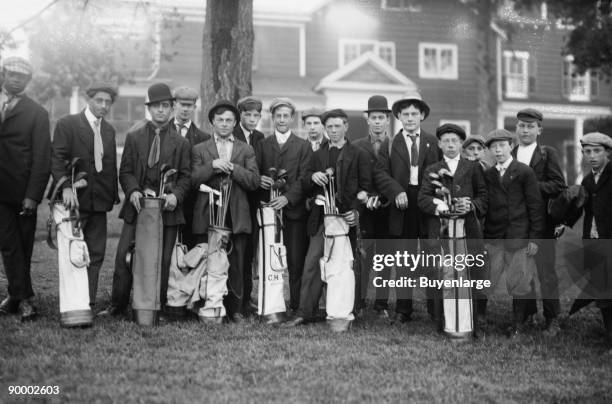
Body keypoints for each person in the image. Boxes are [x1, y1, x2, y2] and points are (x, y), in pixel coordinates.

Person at [99, 83, 191, 316]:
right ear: (149, 109)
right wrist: (133, 191)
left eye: (165, 106)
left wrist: (175, 195)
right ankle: (117, 304)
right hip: (138, 207)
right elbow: (126, 171)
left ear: (171, 109)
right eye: (156, 106)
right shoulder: (134, 136)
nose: (161, 111)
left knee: (162, 258)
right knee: (124, 257)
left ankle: (154, 305)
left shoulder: (181, 143)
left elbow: (186, 177)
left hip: (166, 211)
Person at [284, 109, 371, 331]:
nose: (332, 131)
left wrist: (356, 211)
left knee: (344, 267)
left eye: (337, 126)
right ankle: (305, 311)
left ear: (346, 126)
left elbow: (367, 188)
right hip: (321, 218)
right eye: (329, 127)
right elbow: (305, 182)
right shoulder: (318, 155)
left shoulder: (359, 153)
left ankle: (345, 311)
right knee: (312, 263)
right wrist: (313, 178)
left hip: (346, 221)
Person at [51, 83, 120, 308]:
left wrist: (111, 197)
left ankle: (87, 302)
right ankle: (73, 304)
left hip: (99, 203)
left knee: (96, 254)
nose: (103, 105)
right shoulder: (68, 124)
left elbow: (109, 166)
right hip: (74, 202)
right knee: (74, 253)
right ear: (87, 99)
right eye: (99, 100)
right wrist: (66, 187)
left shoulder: (108, 131)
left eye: (108, 102)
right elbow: (57, 158)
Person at [191, 100, 260, 322]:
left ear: (235, 123)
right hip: (208, 212)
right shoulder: (200, 149)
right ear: (212, 122)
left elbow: (254, 181)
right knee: (209, 259)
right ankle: (208, 304)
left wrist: (233, 168)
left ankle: (235, 308)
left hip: (236, 213)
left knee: (237, 262)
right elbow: (192, 180)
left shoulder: (245, 149)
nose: (224, 124)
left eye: (229, 120)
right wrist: (211, 166)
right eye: (219, 120)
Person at [417, 123, 488, 338]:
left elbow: (484, 196)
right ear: (439, 143)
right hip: (442, 232)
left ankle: (472, 321)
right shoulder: (432, 169)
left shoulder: (473, 167)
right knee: (444, 274)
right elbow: (422, 199)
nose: (450, 144)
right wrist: (441, 206)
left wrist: (472, 205)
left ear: (461, 145)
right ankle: (444, 321)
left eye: (454, 141)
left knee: (470, 275)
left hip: (468, 231)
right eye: (446, 141)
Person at [377, 92, 442, 323]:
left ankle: (436, 308)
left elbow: (442, 171)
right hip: (402, 204)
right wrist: (396, 191)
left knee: (431, 255)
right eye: (406, 114)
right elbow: (381, 174)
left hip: (426, 203)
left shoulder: (433, 142)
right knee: (404, 259)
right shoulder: (391, 143)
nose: (410, 118)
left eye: (415, 113)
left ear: (422, 115)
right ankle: (404, 309)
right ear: (399, 117)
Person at [0, 56, 51, 321]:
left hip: (22, 193)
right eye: (12, 74)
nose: (16, 79)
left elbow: (43, 158)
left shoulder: (37, 113)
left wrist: (33, 195)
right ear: (3, 74)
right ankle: (24, 298)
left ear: (28, 81)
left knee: (22, 246)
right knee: (8, 244)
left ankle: (16, 296)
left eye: (22, 77)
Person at [483, 129, 545, 337]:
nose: (498, 150)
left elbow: (535, 207)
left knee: (519, 282)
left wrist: (535, 238)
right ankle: (478, 321)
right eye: (493, 147)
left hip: (519, 237)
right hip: (494, 237)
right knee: (486, 279)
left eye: (501, 145)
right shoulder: (488, 174)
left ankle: (518, 324)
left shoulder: (524, 172)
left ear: (511, 146)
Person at [511, 108, 566, 337]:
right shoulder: (510, 152)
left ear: (539, 130)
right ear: (516, 128)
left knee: (546, 272)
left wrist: (531, 186)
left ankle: (552, 319)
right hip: (517, 224)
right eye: (521, 125)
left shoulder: (546, 154)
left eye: (530, 126)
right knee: (521, 272)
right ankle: (526, 316)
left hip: (543, 223)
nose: (525, 130)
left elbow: (558, 185)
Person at [255, 97, 312, 313]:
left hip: (293, 212)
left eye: (285, 116)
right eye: (277, 116)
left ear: (292, 118)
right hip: (269, 213)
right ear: (273, 118)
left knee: (296, 260)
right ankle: (273, 303)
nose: (281, 119)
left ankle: (296, 304)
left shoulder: (303, 145)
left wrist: (288, 198)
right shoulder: (263, 145)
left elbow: (304, 177)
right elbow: (258, 172)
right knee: (270, 259)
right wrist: (264, 182)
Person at [562, 132, 612, 354]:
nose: (591, 156)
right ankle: (608, 336)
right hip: (593, 240)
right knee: (602, 290)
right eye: (587, 151)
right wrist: (564, 222)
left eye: (597, 151)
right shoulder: (588, 180)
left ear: (608, 152)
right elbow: (582, 207)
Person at [352, 95, 399, 319]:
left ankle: (381, 304)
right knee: (364, 259)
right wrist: (362, 197)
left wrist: (385, 198)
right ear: (367, 119)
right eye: (374, 117)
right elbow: (351, 178)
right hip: (365, 212)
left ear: (387, 120)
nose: (378, 122)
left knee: (385, 259)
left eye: (382, 117)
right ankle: (359, 302)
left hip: (389, 211)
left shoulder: (396, 145)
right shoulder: (357, 146)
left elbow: (398, 178)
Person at [233, 96, 265, 315]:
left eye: (256, 115)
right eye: (248, 115)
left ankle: (246, 297)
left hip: (254, 201)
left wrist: (261, 179)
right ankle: (234, 299)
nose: (252, 119)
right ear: (240, 115)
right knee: (236, 251)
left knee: (250, 252)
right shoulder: (231, 135)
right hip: (236, 199)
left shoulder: (260, 137)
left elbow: (260, 165)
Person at [170, 86, 210, 249]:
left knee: (188, 248)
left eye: (190, 105)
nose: (186, 109)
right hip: (166, 198)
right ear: (174, 105)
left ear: (195, 107)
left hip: (190, 203)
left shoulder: (203, 138)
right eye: (182, 104)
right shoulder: (161, 131)